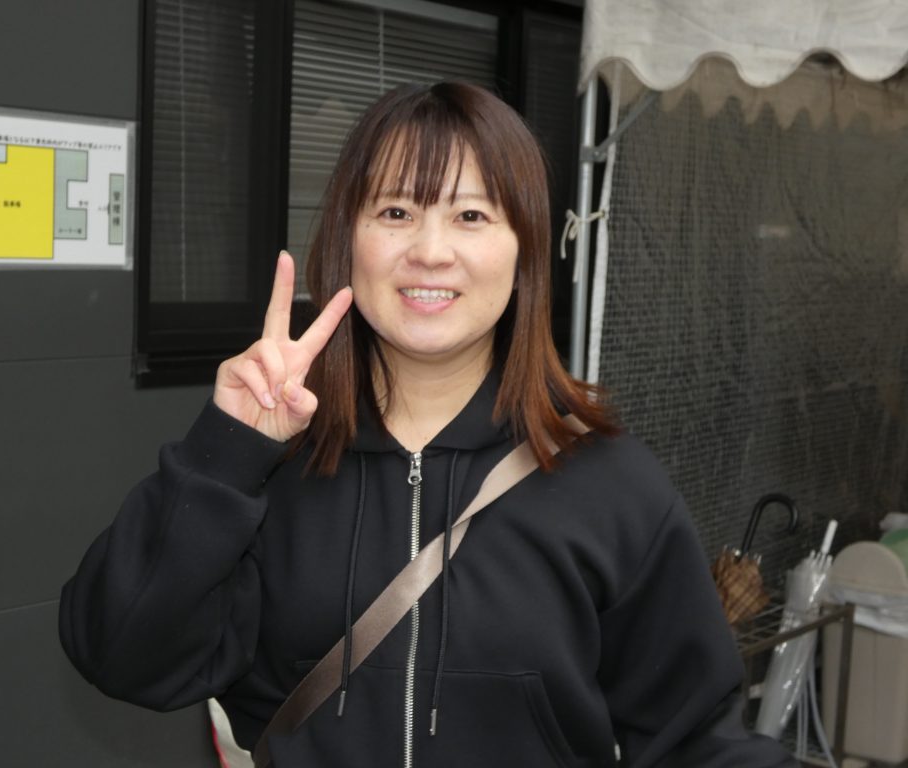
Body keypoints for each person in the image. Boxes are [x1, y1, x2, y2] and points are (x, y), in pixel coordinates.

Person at [60, 82, 794, 767]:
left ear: (524, 250)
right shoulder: (273, 468)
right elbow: (121, 655)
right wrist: (225, 454)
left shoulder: (610, 484)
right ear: (349, 239)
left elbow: (698, 741)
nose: (430, 252)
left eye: (471, 216)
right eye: (396, 212)